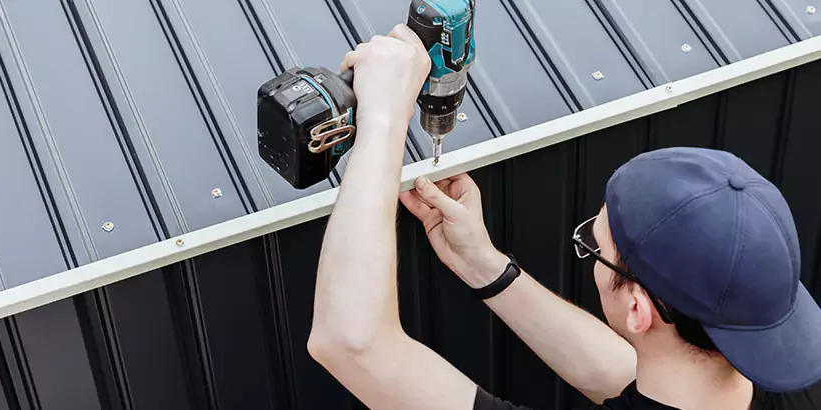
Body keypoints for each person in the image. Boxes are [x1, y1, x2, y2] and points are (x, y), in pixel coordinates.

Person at [306, 24, 821, 410]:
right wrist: (485, 266)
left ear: (639, 310)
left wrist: (382, 117)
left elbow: (352, 343)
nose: (590, 253)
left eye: (594, 247)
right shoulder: (766, 385)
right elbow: (631, 374)